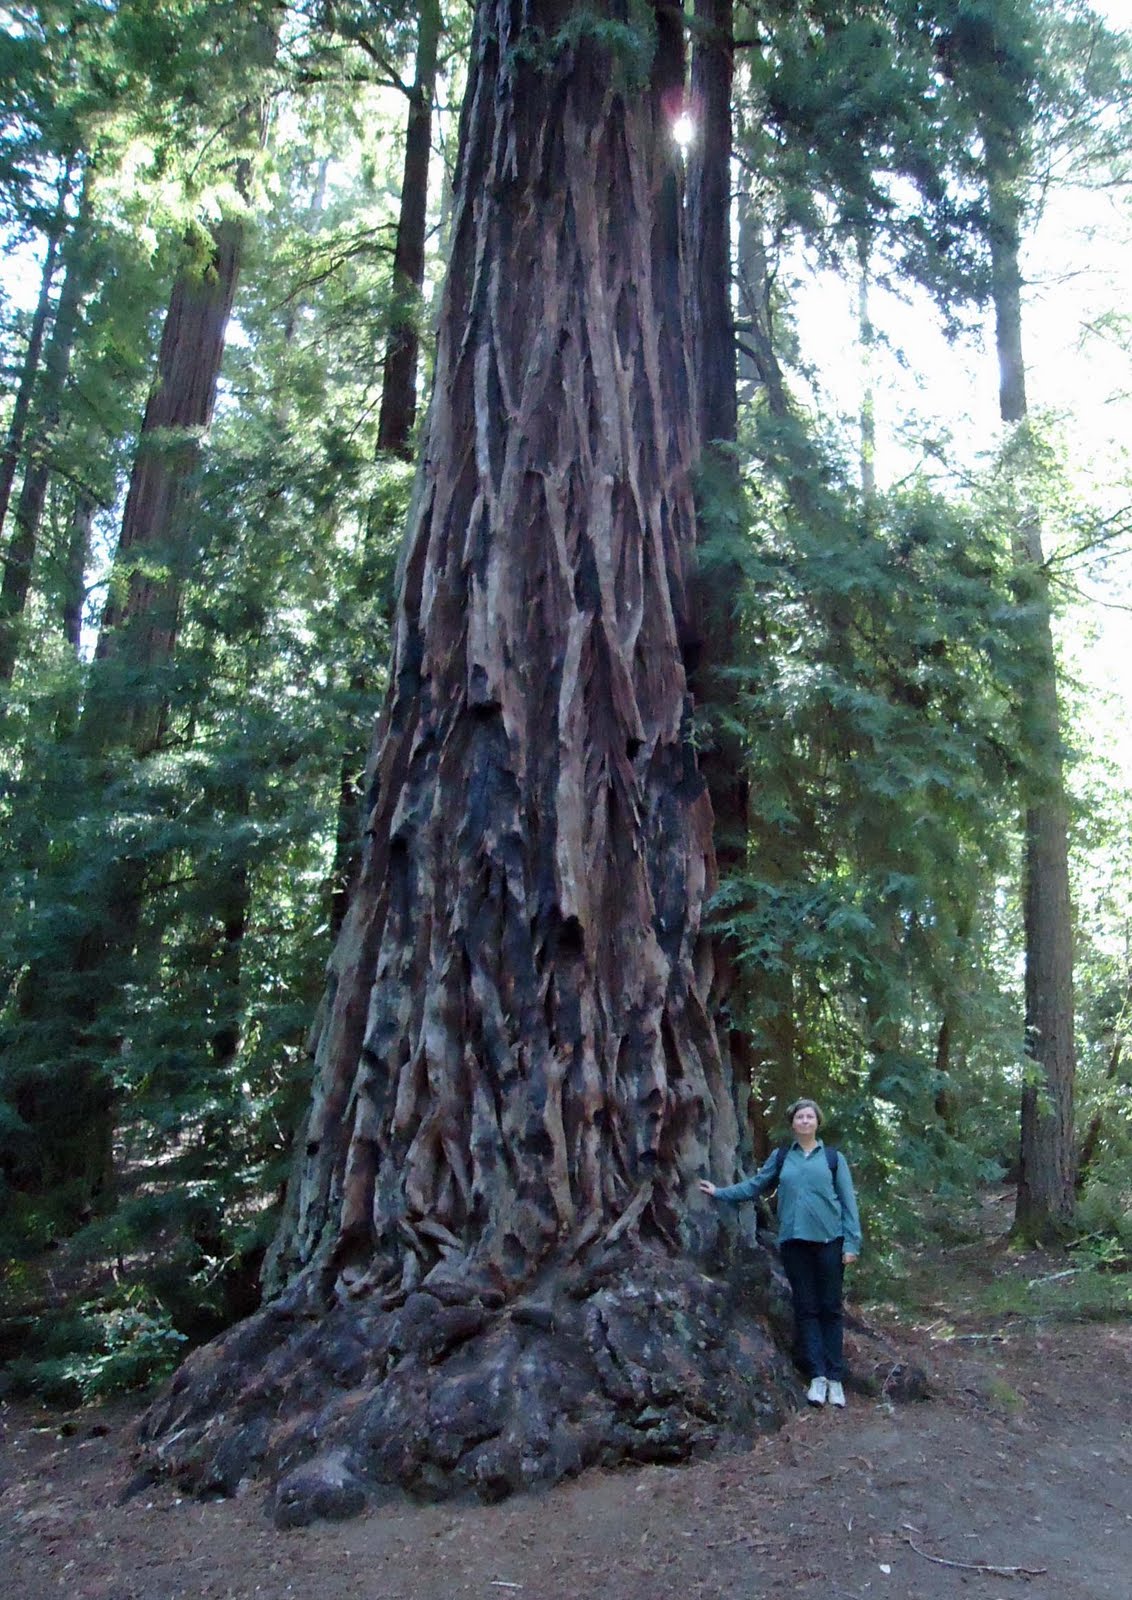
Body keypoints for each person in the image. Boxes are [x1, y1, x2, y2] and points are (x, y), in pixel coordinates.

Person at [699, 1097, 861, 1408]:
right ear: (792, 1124)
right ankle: (818, 1378)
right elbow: (756, 1185)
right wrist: (719, 1192)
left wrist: (852, 1244)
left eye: (809, 1117)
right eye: (799, 1117)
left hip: (829, 1242)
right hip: (794, 1243)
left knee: (830, 1309)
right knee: (806, 1308)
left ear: (817, 1122)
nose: (804, 1121)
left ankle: (836, 1379)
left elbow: (848, 1204)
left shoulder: (832, 1159)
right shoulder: (783, 1156)